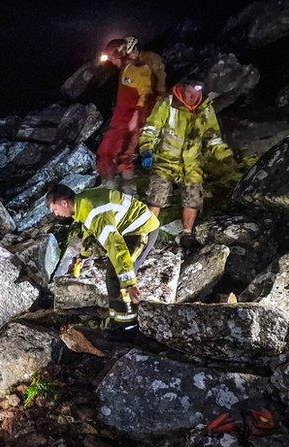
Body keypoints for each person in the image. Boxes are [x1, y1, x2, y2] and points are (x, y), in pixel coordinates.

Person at [47, 183, 160, 330]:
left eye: (55, 209)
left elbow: (116, 246)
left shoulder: (94, 212)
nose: (56, 214)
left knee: (117, 279)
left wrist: (130, 283)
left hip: (142, 230)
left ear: (63, 203)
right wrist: (83, 255)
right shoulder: (83, 202)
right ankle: (117, 321)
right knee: (113, 278)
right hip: (131, 228)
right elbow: (89, 229)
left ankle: (126, 326)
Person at [139, 79, 235, 244]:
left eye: (197, 92)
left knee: (193, 196)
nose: (193, 96)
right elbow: (151, 128)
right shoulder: (167, 103)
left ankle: (187, 234)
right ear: (183, 89)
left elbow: (212, 137)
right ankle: (144, 234)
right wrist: (146, 150)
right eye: (190, 92)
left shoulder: (205, 109)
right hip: (166, 159)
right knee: (156, 195)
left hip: (192, 162)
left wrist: (226, 156)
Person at [96, 36, 167, 192]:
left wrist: (136, 117)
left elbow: (145, 93)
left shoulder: (137, 69)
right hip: (122, 118)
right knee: (111, 154)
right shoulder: (127, 69)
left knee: (119, 155)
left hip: (129, 120)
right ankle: (116, 191)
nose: (112, 62)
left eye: (113, 57)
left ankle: (123, 193)